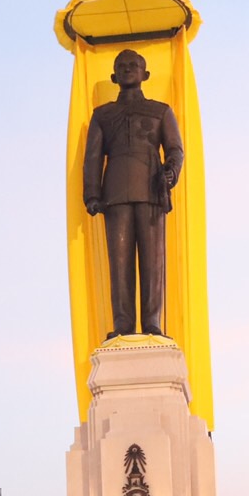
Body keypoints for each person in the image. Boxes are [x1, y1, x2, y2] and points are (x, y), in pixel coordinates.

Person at [83, 49, 184, 339]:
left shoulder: (160, 111)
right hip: (114, 194)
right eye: (122, 66)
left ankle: (153, 323)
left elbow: (175, 149)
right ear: (113, 76)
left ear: (145, 74)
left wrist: (171, 171)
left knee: (153, 262)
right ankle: (123, 325)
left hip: (152, 188)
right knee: (120, 262)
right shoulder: (103, 115)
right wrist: (91, 194)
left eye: (134, 65)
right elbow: (93, 157)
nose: (128, 69)